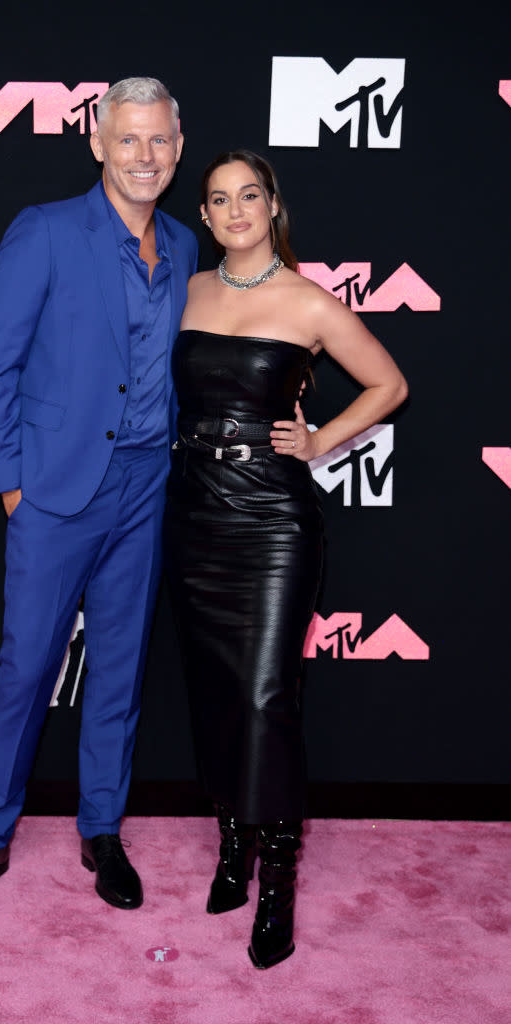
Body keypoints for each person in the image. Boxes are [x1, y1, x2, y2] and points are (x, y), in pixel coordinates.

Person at [0, 78, 197, 916]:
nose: (143, 156)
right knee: (26, 668)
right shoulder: (46, 231)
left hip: (144, 486)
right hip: (55, 491)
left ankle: (102, 831)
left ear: (178, 146)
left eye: (158, 140)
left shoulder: (187, 247)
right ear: (96, 143)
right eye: (127, 140)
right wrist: (11, 484)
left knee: (119, 669)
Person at [165, 150, 407, 968]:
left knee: (266, 695)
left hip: (271, 522)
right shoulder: (186, 291)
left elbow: (387, 385)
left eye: (249, 196)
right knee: (212, 691)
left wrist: (319, 440)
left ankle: (277, 884)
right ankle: (232, 848)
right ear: (204, 216)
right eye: (218, 200)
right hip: (192, 513)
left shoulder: (307, 301)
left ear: (272, 205)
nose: (235, 211)